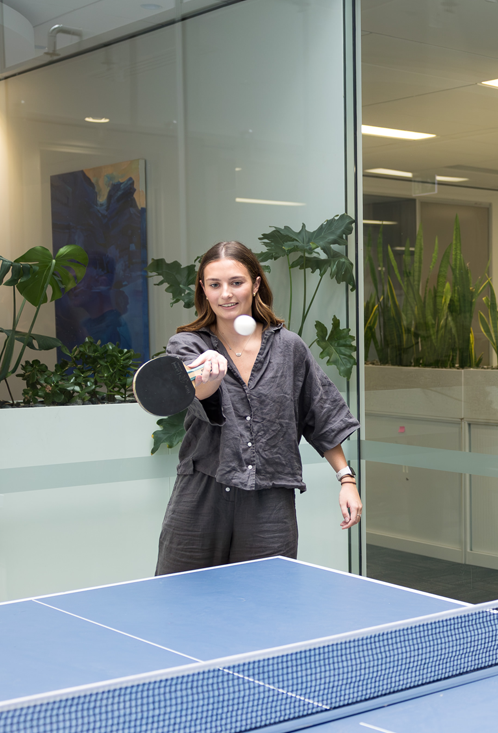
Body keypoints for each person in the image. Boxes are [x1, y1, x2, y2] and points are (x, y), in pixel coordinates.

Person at [155, 240, 362, 574]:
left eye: (236, 282)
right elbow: (201, 396)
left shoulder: (289, 348)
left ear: (255, 284)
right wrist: (210, 370)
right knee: (181, 601)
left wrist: (347, 480)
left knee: (266, 605)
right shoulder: (188, 345)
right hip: (202, 494)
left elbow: (320, 415)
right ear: (203, 291)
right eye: (215, 285)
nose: (226, 294)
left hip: (270, 499)